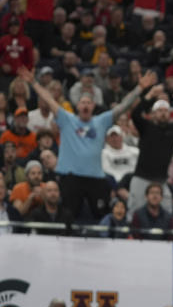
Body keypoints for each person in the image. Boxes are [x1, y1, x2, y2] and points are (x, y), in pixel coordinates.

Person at [19, 66, 154, 219]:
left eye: (88, 103)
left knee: (102, 214)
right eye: (82, 102)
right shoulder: (67, 119)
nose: (85, 105)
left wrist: (140, 88)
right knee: (67, 216)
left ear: (93, 106)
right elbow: (49, 100)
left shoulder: (101, 121)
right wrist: (33, 82)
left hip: (95, 177)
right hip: (70, 177)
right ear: (77, 106)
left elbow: (123, 106)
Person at [127, 88, 173, 215]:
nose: (163, 113)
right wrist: (149, 97)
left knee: (167, 214)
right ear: (153, 114)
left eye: (166, 110)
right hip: (142, 178)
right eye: (160, 111)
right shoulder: (146, 126)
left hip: (161, 180)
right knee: (134, 214)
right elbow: (135, 115)